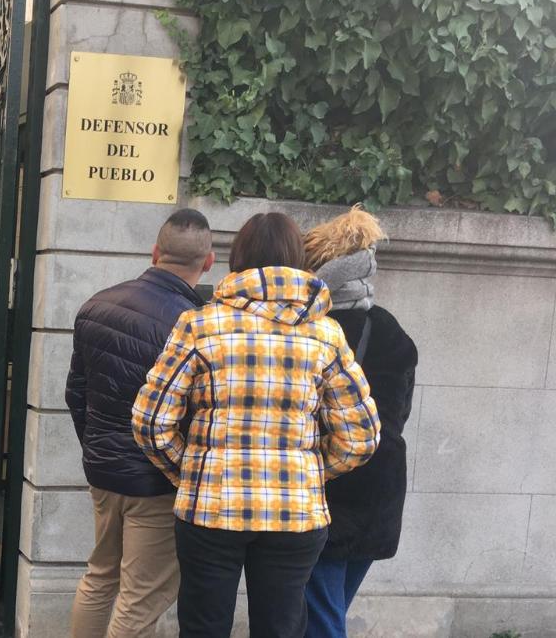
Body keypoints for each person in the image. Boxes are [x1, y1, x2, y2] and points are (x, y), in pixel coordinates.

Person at [133, 211, 380, 638]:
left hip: (211, 506)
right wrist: (310, 471)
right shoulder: (325, 334)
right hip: (296, 514)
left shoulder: (200, 325)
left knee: (203, 628)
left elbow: (150, 421)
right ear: (298, 261)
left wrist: (190, 470)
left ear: (236, 259)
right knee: (281, 629)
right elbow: (361, 436)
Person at [66, 208, 216, 637]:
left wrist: (97, 448)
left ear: (155, 252)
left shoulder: (97, 304)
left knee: (99, 576)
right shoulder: (195, 325)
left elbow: (76, 393)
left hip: (103, 471)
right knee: (140, 598)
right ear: (208, 262)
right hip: (157, 481)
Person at [301, 207, 418, 638]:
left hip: (332, 488)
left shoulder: (313, 329)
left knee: (322, 618)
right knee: (328, 609)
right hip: (382, 487)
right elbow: (397, 413)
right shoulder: (389, 328)